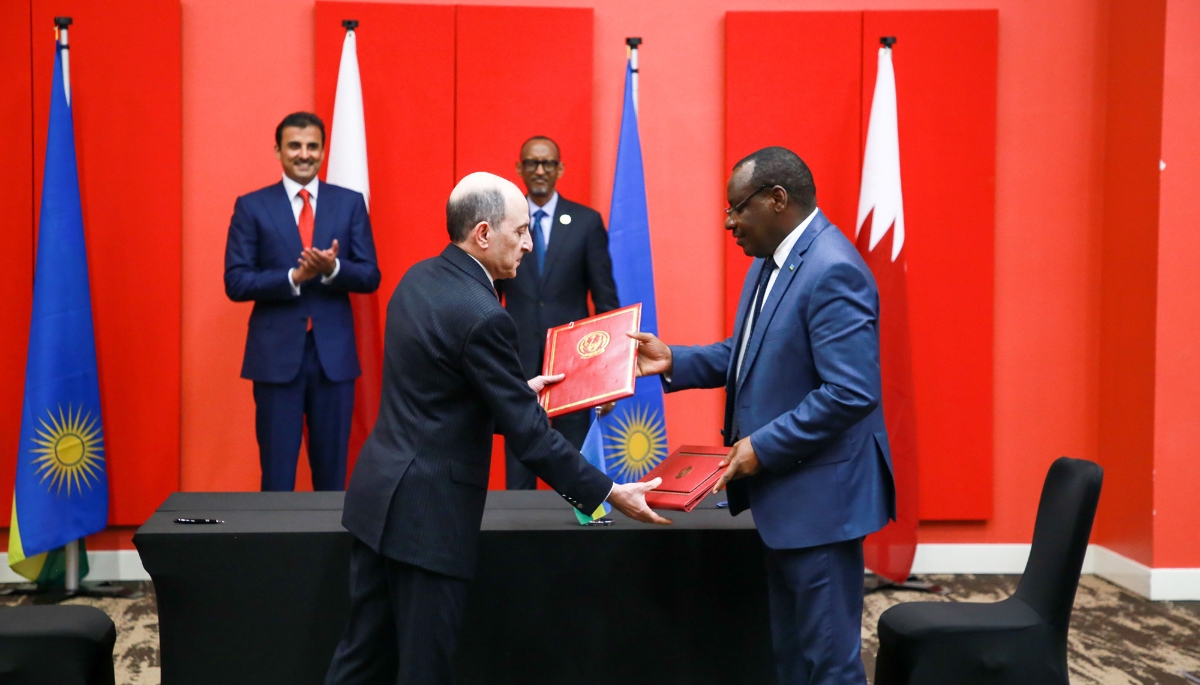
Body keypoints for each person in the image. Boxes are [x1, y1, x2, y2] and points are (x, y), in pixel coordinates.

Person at [326, 172, 669, 685]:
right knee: (424, 670)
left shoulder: (417, 279)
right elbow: (531, 438)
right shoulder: (485, 315)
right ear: (483, 234)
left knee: (360, 660)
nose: (529, 244)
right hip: (428, 522)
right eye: (521, 231)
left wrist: (510, 391)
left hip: (378, 504)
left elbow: (433, 391)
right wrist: (609, 492)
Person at [630, 147, 896, 685]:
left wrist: (761, 446)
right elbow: (747, 353)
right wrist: (674, 360)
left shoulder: (834, 270)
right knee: (793, 661)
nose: (729, 222)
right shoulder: (770, 263)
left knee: (830, 668)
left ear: (777, 199)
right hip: (787, 501)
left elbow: (850, 392)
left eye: (736, 208)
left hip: (822, 507)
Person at [224, 112, 381, 491]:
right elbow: (236, 281)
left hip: (333, 360)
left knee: (332, 480)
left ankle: (329, 536)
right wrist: (293, 278)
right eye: (294, 146)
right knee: (277, 478)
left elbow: (370, 275)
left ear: (324, 151)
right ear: (278, 150)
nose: (304, 154)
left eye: (312, 146)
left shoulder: (349, 203)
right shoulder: (252, 206)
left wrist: (332, 268)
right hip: (275, 359)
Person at [496, 135, 620, 489]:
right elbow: (489, 295)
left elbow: (606, 303)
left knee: (573, 462)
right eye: (531, 163)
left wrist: (606, 375)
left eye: (547, 163)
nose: (540, 170)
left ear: (560, 169)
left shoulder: (586, 222)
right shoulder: (503, 222)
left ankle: (576, 521)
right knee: (520, 459)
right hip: (517, 360)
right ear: (519, 168)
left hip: (573, 363)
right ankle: (518, 523)